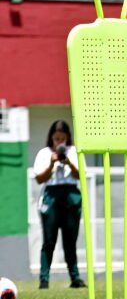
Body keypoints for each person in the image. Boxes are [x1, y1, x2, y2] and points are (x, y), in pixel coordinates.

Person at [33, 120, 86, 289]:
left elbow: (80, 177)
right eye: (56, 139)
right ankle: (44, 279)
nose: (59, 142)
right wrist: (52, 163)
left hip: (71, 195)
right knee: (49, 239)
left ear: (68, 138)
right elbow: (40, 179)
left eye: (62, 139)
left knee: (70, 240)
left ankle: (75, 278)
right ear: (51, 138)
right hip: (52, 195)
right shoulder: (44, 153)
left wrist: (69, 163)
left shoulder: (75, 152)